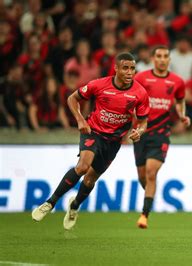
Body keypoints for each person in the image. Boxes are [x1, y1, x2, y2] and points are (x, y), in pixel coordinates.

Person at [31, 52, 150, 230]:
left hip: (113, 141)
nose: (129, 72)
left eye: (132, 68)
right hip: (92, 131)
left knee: (90, 180)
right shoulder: (99, 84)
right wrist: (80, 119)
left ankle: (74, 206)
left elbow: (143, 122)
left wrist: (139, 132)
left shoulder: (140, 93)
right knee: (82, 167)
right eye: (125, 68)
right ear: (116, 68)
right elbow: (72, 98)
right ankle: (50, 203)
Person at [133, 46, 191, 229]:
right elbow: (130, 99)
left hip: (161, 133)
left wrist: (182, 115)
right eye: (158, 56)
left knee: (151, 172)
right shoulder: (141, 78)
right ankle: (150, 194)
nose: (162, 59)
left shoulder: (177, 81)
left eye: (166, 56)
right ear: (153, 58)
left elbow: (180, 100)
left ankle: (144, 215)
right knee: (143, 176)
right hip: (141, 132)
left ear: (169, 60)